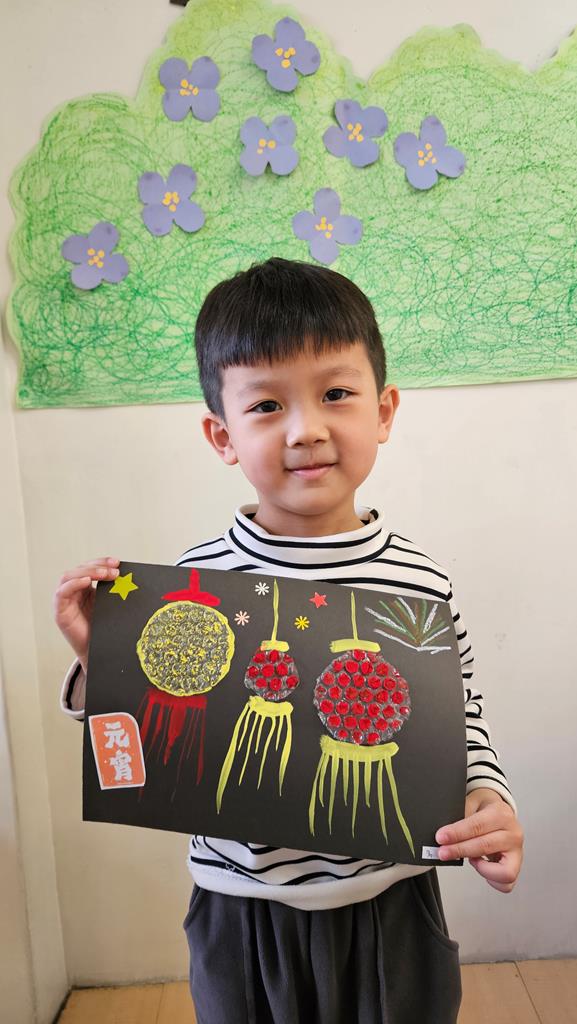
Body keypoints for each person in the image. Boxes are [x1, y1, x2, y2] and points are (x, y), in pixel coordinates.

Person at [54, 257, 524, 1024]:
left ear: (383, 411)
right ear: (222, 435)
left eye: (335, 394)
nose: (306, 429)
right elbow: (147, 734)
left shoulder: (419, 582)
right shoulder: (193, 583)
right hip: (238, 902)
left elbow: (459, 718)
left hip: (390, 898)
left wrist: (486, 798)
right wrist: (97, 659)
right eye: (267, 405)